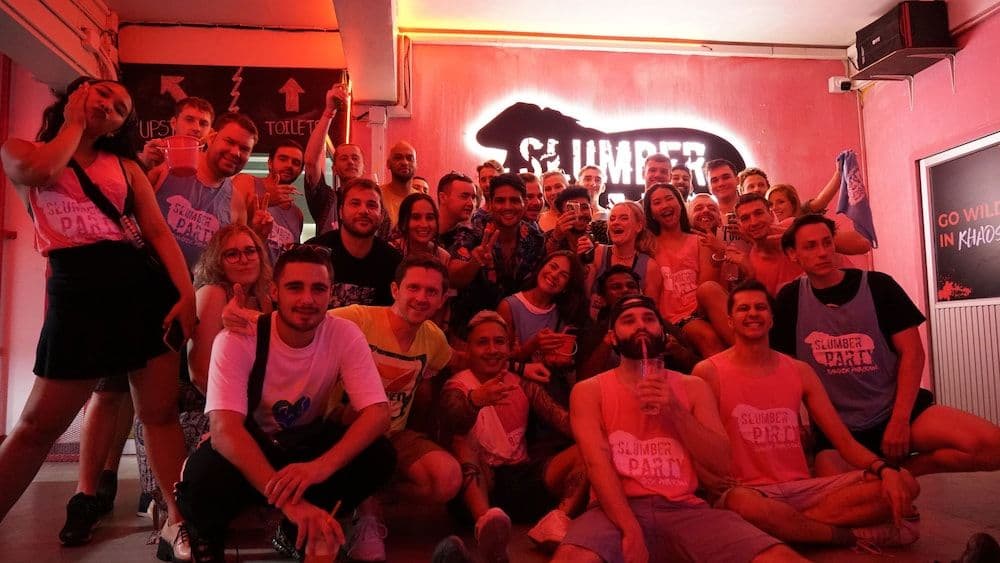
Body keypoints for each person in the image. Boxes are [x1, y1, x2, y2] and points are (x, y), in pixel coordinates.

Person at [0, 77, 197, 559]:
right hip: (77, 292)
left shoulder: (126, 166)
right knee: (36, 426)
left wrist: (187, 295)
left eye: (121, 107)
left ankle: (179, 523)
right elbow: (42, 171)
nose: (110, 105)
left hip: (142, 289)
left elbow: (157, 231)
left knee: (159, 414)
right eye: (103, 94)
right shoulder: (20, 150)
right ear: (76, 93)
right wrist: (73, 123)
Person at [174, 245, 395, 562]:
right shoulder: (238, 337)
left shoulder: (343, 334)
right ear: (274, 291)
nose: (307, 299)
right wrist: (291, 504)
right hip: (253, 446)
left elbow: (378, 413)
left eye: (318, 289)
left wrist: (319, 468)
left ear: (331, 294)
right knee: (201, 479)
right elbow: (225, 431)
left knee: (379, 455)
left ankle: (295, 533)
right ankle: (208, 536)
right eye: (295, 287)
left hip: (304, 447)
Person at [553, 295, 801, 563]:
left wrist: (675, 409)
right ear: (612, 337)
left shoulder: (693, 387)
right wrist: (630, 529)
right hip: (612, 511)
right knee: (573, 558)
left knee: (779, 558)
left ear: (661, 331)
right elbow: (597, 465)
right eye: (629, 320)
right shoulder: (589, 391)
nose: (641, 325)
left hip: (684, 509)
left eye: (649, 319)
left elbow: (721, 463)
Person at [696, 280, 922, 550]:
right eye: (743, 309)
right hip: (748, 492)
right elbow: (701, 447)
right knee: (742, 505)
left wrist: (884, 469)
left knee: (905, 482)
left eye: (760, 307)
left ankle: (791, 529)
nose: (753, 313)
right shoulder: (708, 372)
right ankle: (847, 536)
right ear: (730, 321)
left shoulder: (799, 371)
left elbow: (844, 442)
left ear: (772, 319)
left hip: (803, 490)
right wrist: (713, 484)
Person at [772, 214, 1000, 477]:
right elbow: (783, 369)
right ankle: (884, 476)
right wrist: (795, 423)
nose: (822, 252)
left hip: (893, 410)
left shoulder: (879, 286)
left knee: (992, 446)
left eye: (827, 242)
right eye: (811, 246)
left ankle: (898, 472)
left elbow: (913, 354)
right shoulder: (789, 299)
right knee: (840, 492)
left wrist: (900, 421)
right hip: (837, 429)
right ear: (793, 254)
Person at [329, 257, 461, 562]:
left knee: (448, 479)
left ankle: (370, 499)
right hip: (345, 429)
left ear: (442, 299)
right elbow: (300, 319)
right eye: (413, 288)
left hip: (394, 435)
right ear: (394, 290)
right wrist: (246, 317)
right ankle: (365, 517)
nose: (421, 297)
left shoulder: (433, 338)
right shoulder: (359, 318)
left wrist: (518, 362)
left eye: (431, 291)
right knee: (361, 417)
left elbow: (459, 360)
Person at [440, 312, 587, 559]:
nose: (492, 349)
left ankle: (556, 520)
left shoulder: (522, 383)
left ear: (509, 348)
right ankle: (486, 525)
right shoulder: (457, 386)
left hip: (521, 482)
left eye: (499, 342)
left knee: (587, 448)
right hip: (477, 489)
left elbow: (562, 420)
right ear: (469, 349)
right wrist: (475, 401)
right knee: (461, 440)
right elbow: (453, 422)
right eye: (482, 342)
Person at [154, 111, 259, 270]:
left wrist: (260, 234)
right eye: (229, 141)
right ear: (211, 137)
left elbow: (233, 264)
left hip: (198, 285)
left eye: (244, 149)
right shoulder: (166, 165)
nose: (235, 152)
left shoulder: (237, 204)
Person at [447, 173, 546, 334]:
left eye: (514, 200)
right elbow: (453, 278)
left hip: (517, 331)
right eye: (500, 200)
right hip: (470, 331)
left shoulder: (535, 239)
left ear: (525, 203)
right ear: (491, 203)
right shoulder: (473, 231)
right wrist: (474, 262)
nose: (507, 206)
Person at [645, 182, 731, 357]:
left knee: (709, 289)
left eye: (669, 199)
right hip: (673, 319)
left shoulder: (700, 241)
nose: (665, 205)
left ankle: (750, 354)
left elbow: (706, 286)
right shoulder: (648, 247)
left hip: (701, 309)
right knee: (707, 335)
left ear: (680, 204)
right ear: (651, 213)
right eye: (657, 202)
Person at [577, 267, 699, 380]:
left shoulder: (662, 326)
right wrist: (606, 343)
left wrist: (679, 352)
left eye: (631, 286)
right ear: (603, 298)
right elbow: (583, 379)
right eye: (616, 287)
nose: (625, 290)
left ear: (640, 292)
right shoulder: (595, 333)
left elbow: (697, 369)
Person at [307, 178, 403, 308]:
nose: (363, 211)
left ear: (381, 216)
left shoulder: (394, 262)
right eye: (355, 203)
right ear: (340, 212)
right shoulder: (313, 254)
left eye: (372, 205)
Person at [233, 139, 305, 263]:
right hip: (244, 269)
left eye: (296, 162)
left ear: (300, 170)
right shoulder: (246, 182)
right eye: (283, 159)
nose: (289, 165)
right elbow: (226, 221)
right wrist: (265, 200)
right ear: (270, 163)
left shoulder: (297, 214)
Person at [585, 201, 661, 317]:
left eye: (624, 218)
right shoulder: (598, 253)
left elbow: (651, 311)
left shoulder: (650, 266)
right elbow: (584, 295)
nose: (616, 222)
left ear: (638, 226)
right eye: (612, 219)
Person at [767, 183, 872, 255]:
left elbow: (863, 243)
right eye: (770, 205)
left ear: (793, 203)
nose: (775, 208)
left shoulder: (807, 220)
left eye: (781, 202)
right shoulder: (772, 232)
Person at [140, 96, 215, 186]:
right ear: (173, 123)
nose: (197, 128)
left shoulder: (215, 165)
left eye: (203, 123)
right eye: (189, 120)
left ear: (210, 132)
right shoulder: (156, 153)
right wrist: (144, 166)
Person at [544, 187, 610, 259]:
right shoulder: (548, 238)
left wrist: (595, 252)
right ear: (560, 216)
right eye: (572, 209)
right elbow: (543, 262)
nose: (580, 214)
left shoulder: (601, 231)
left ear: (591, 210)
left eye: (584, 207)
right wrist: (556, 238)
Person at [388, 192, 452, 266]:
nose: (424, 224)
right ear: (403, 222)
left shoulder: (443, 257)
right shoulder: (389, 251)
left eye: (430, 217)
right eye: (416, 217)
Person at [380, 141, 418, 226]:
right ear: (388, 164)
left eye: (410, 158)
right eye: (398, 158)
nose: (405, 162)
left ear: (416, 164)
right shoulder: (378, 196)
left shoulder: (421, 200)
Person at [471, 160, 504, 232]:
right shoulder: (476, 217)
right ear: (479, 183)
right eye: (483, 180)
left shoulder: (512, 211)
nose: (487, 184)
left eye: (492, 179)